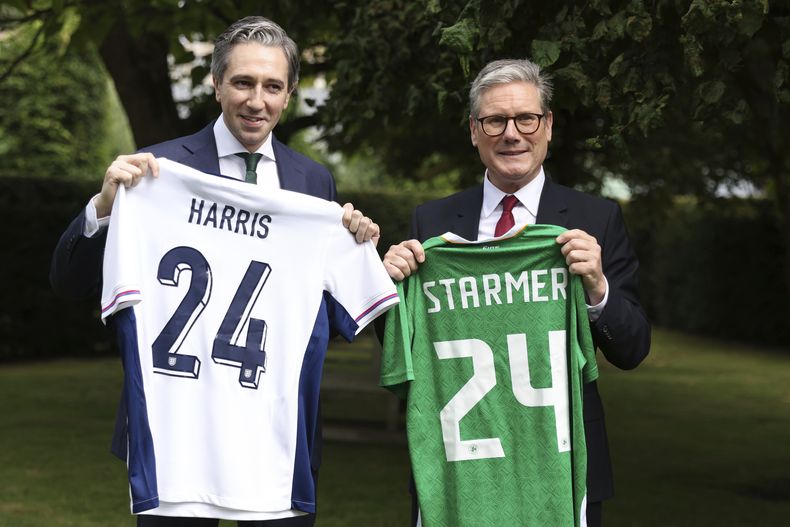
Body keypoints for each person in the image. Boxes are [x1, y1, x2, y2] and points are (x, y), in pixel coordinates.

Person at [50, 16, 381, 527]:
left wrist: (360, 247)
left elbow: (323, 317)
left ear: (290, 94)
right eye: (243, 82)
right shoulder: (155, 170)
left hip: (274, 432)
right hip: (175, 428)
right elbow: (70, 283)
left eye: (273, 86)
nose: (257, 101)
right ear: (216, 83)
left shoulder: (312, 183)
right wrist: (105, 205)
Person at [382, 58, 651, 526]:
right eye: (495, 120)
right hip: (456, 466)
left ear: (547, 126)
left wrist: (597, 288)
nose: (512, 133)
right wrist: (390, 294)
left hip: (563, 467)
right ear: (473, 130)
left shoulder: (595, 220)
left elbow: (632, 348)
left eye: (526, 118)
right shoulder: (432, 223)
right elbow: (405, 350)